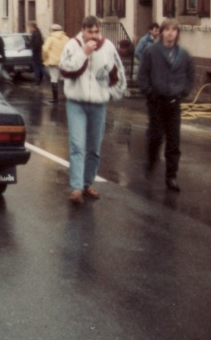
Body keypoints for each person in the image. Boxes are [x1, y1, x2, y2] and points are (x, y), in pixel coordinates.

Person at [59, 16, 127, 204]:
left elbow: (118, 76)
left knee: (94, 147)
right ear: (83, 31)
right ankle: (76, 188)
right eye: (90, 32)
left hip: (98, 104)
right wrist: (84, 53)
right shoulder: (72, 46)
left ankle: (88, 183)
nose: (94, 36)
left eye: (97, 32)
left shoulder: (108, 47)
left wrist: (109, 93)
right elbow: (65, 70)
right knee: (77, 145)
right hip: (76, 103)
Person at [137, 19, 195, 191]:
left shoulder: (183, 54)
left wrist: (183, 91)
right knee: (155, 136)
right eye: (167, 30)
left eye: (174, 30)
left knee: (174, 141)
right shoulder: (151, 51)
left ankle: (171, 176)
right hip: (156, 101)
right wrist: (149, 92)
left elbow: (190, 74)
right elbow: (142, 75)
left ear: (177, 33)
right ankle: (151, 161)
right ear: (161, 32)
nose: (171, 33)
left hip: (174, 102)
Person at [41, 23, 70, 103]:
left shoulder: (50, 38)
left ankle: (55, 99)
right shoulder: (66, 38)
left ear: (52, 30)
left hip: (53, 61)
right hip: (64, 61)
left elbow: (45, 49)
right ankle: (68, 97)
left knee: (54, 78)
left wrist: (45, 58)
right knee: (65, 78)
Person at [29, 21, 45, 85]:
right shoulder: (37, 32)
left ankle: (38, 80)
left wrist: (33, 47)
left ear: (32, 27)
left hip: (36, 53)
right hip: (38, 53)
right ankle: (39, 79)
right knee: (40, 66)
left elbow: (36, 44)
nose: (29, 29)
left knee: (37, 67)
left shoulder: (36, 34)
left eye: (29, 27)